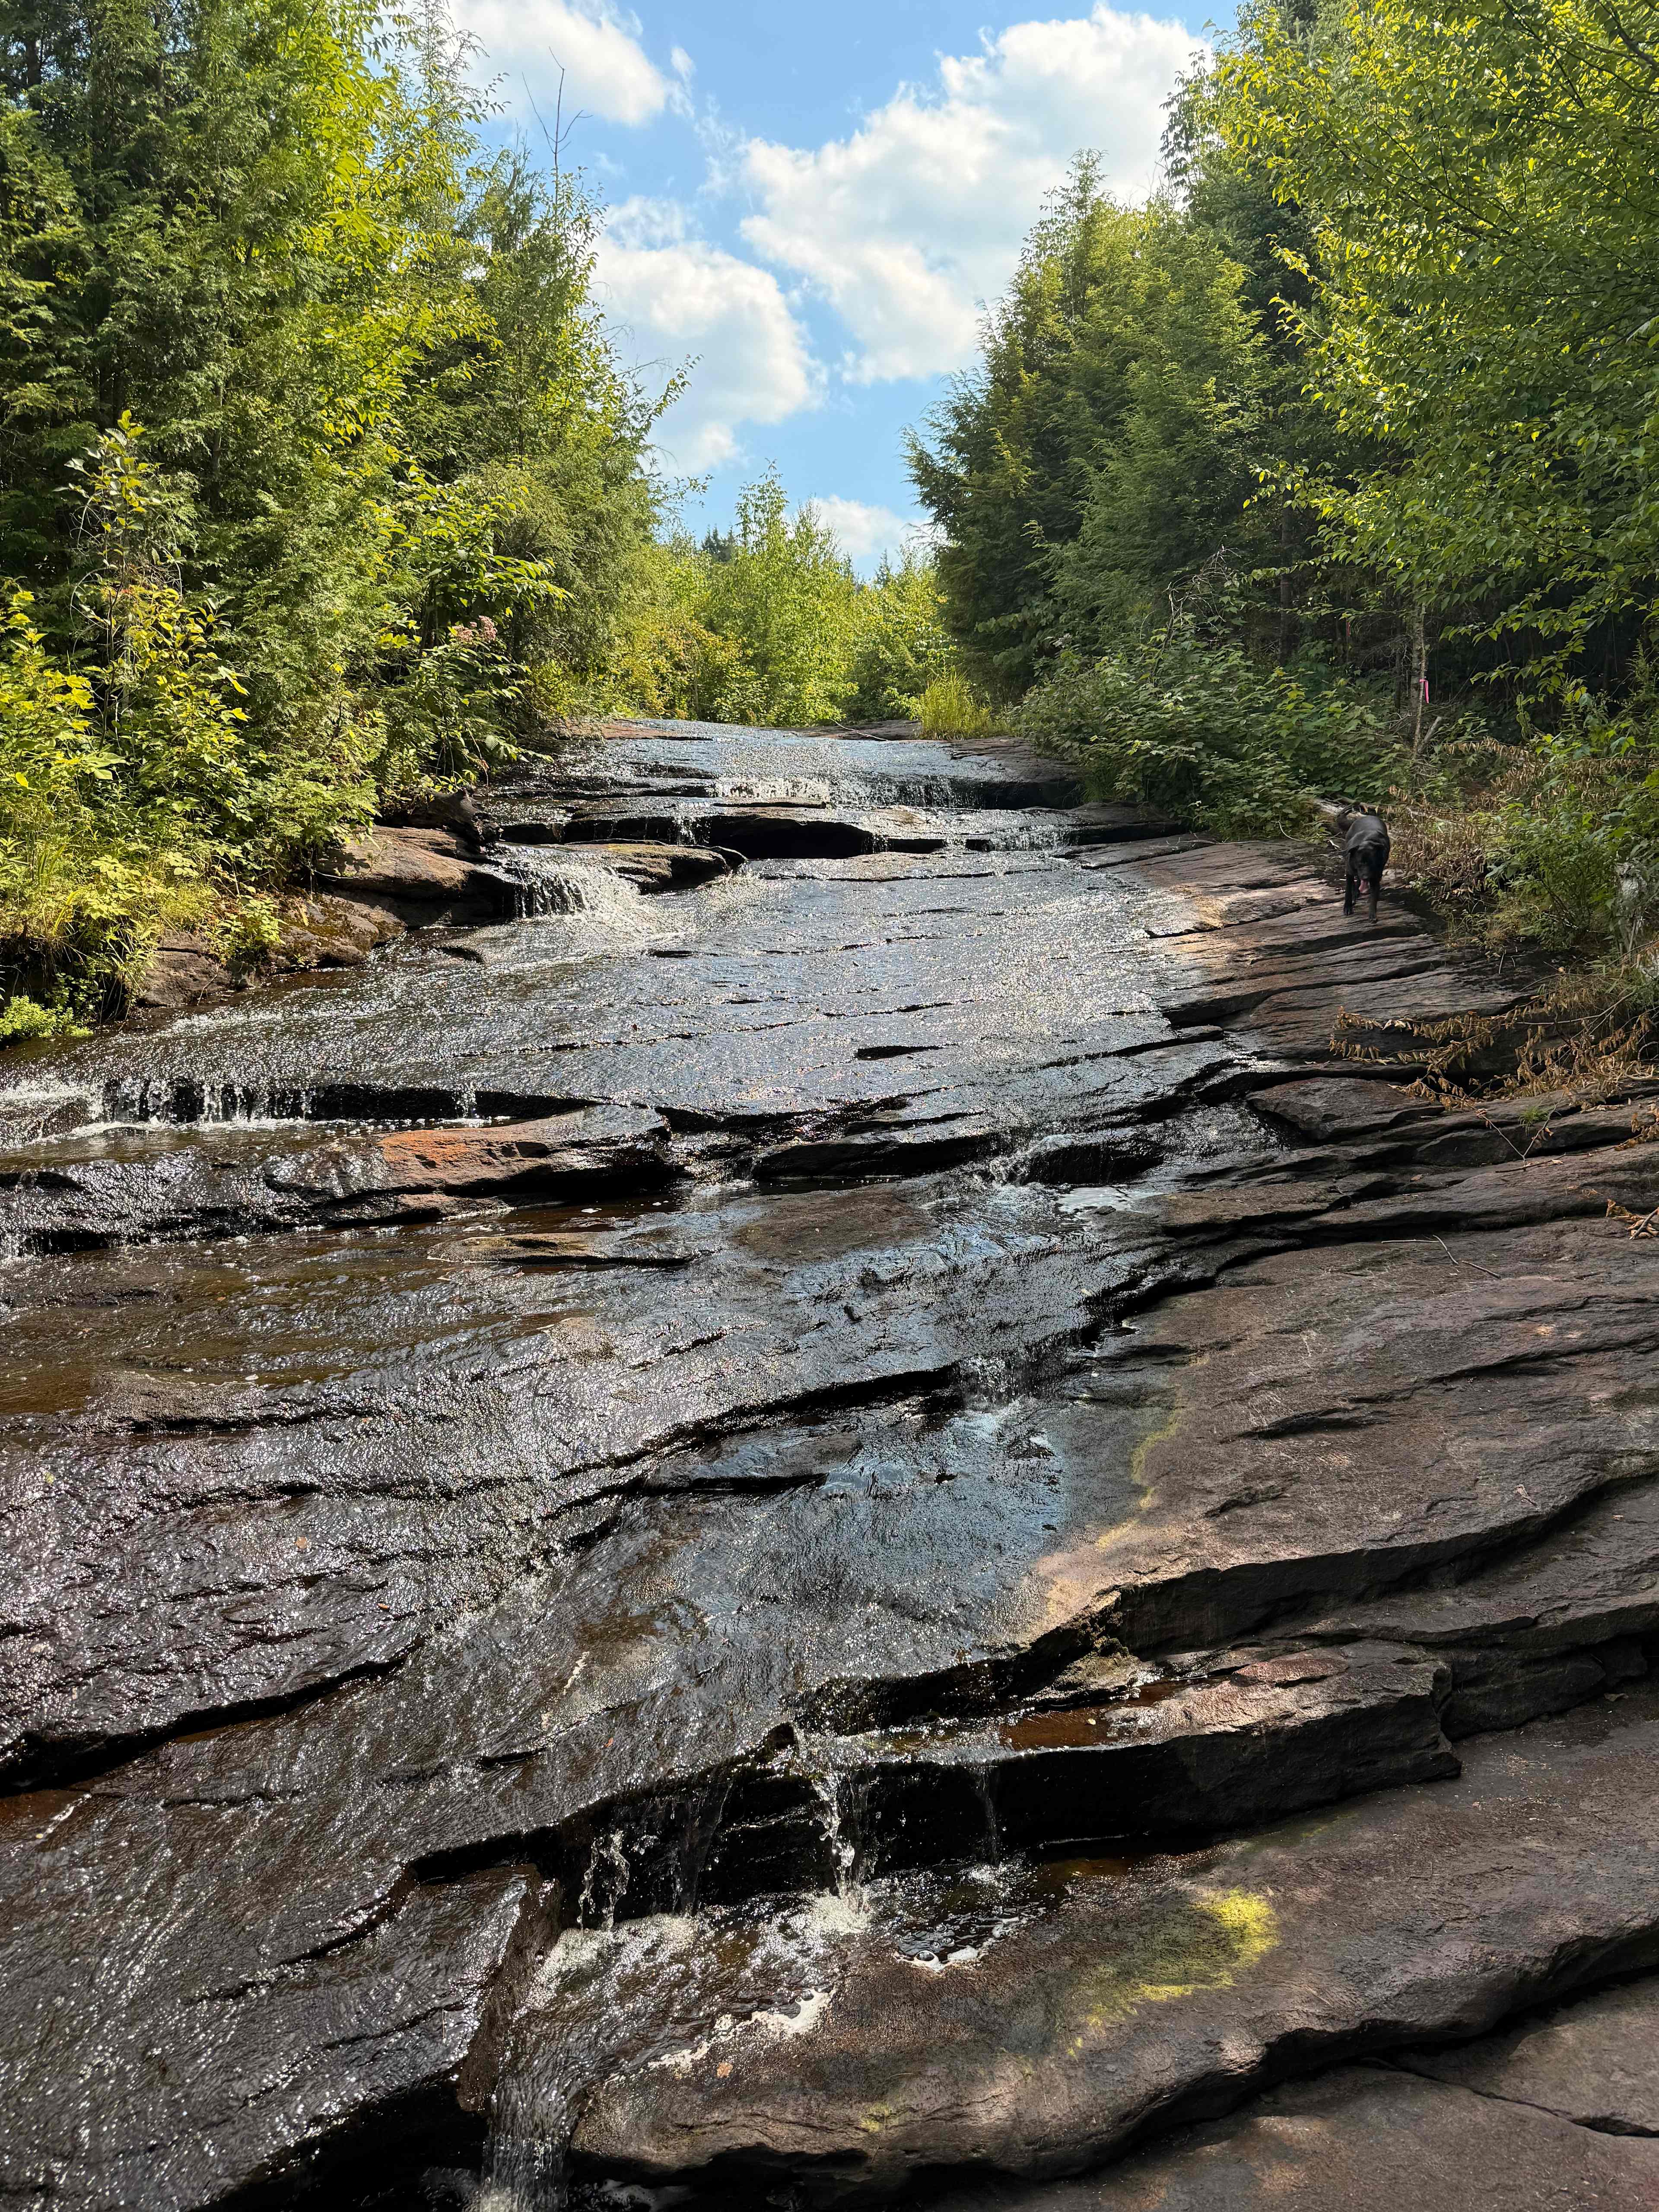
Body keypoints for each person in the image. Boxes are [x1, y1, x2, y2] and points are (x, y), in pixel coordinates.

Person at [1342, 806, 1391, 924]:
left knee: (1374, 878)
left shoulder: (1380, 853)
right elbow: (1349, 877)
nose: (1365, 874)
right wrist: (1347, 903)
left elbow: (1376, 883)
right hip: (1357, 830)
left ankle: (1371, 909)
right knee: (1354, 875)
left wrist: (1372, 912)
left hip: (1376, 834)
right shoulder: (1353, 853)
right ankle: (1353, 896)